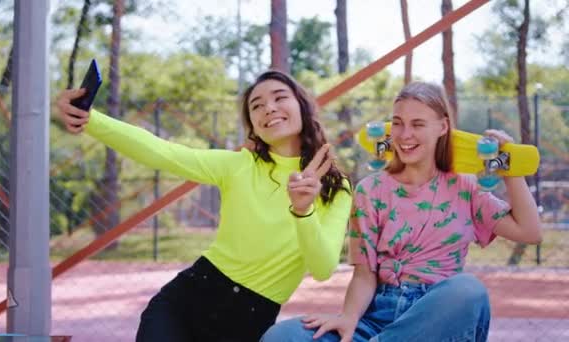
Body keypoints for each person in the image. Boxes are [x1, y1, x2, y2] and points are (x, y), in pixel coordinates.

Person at [56, 70, 353, 341]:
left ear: (302, 105)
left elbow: (323, 267)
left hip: (249, 319)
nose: (269, 108)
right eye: (257, 105)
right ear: (253, 126)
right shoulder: (238, 165)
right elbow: (164, 153)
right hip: (188, 299)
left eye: (279, 98)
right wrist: (91, 120)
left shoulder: (335, 187)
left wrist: (303, 211)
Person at [260, 81, 543, 342]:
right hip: (375, 319)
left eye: (418, 124)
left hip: (433, 318)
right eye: (398, 123)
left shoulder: (465, 187)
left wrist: (510, 169)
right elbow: (364, 273)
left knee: (468, 291)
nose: (405, 135)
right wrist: (348, 317)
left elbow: (529, 231)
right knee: (282, 336)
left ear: (443, 127)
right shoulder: (370, 190)